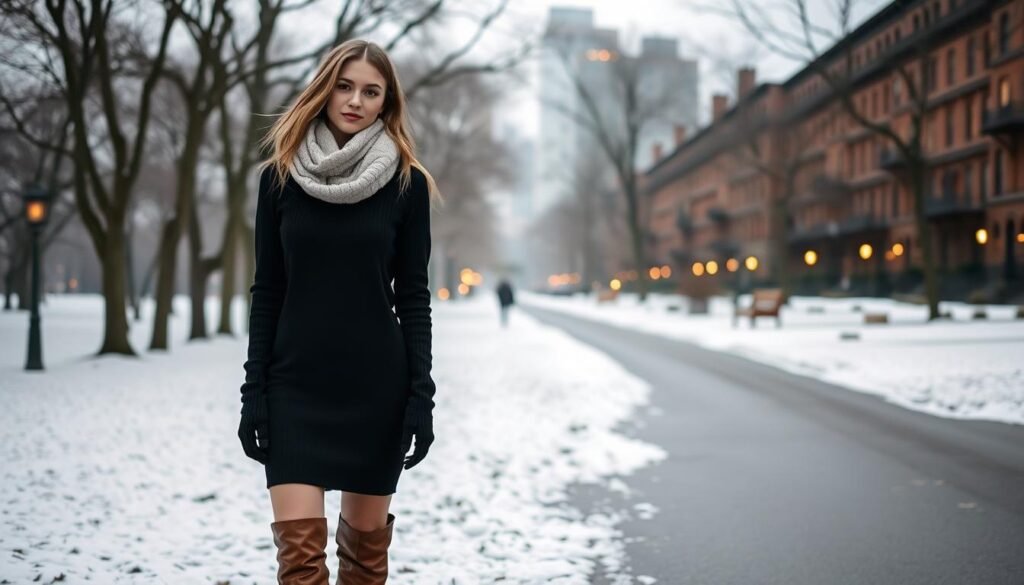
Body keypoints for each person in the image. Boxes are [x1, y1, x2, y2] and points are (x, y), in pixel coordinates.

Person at [236, 39, 440, 585]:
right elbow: (268, 291)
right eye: (345, 86)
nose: (355, 100)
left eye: (371, 91)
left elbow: (414, 297)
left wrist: (421, 397)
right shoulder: (278, 179)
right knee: (300, 564)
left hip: (376, 389)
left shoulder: (407, 184)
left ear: (385, 103)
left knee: (364, 565)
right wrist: (254, 393)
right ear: (325, 89)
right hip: (294, 387)